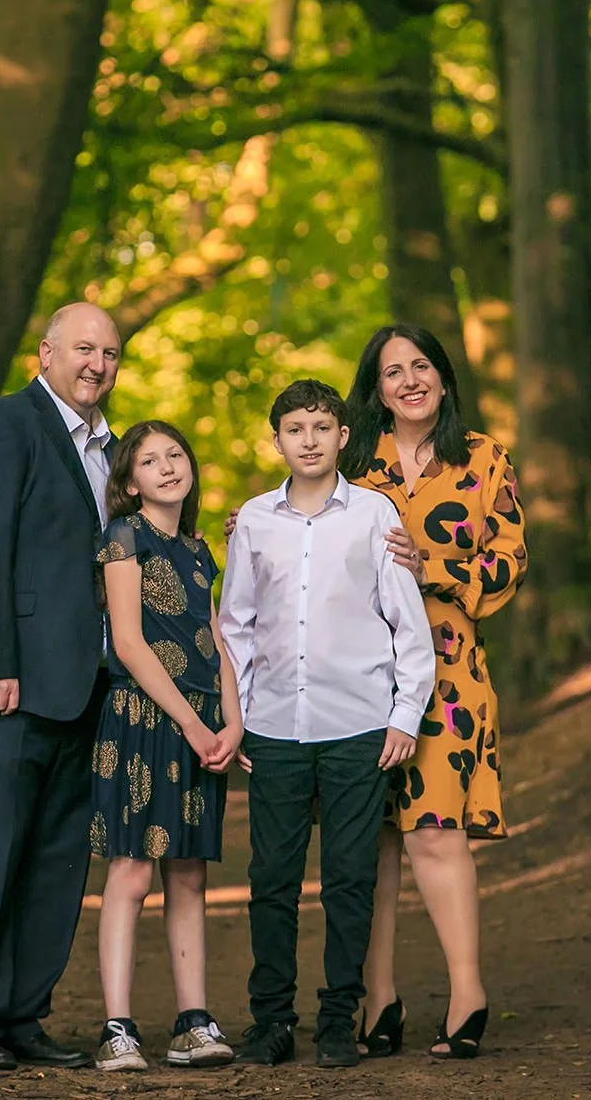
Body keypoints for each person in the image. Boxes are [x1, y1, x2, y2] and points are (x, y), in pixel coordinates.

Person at [0, 302, 122, 1071]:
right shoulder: (2, 424)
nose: (96, 363)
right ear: (46, 352)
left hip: (83, 682)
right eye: (83, 348)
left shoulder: (107, 449)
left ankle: (21, 1012)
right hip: (2, 681)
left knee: (56, 855)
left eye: (109, 352)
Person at [219, 379, 435, 1070]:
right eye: (294, 428)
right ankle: (272, 1019)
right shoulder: (254, 520)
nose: (308, 439)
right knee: (272, 879)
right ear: (276, 438)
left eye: (321, 426)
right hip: (276, 728)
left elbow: (409, 623)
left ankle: (340, 1017)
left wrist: (404, 715)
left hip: (358, 727)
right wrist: (240, 719)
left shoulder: (376, 514)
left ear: (343, 436)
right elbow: (236, 628)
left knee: (349, 878)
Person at [343, 323, 526, 1062]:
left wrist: (437, 572)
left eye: (421, 366)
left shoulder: (483, 458)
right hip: (355, 672)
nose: (409, 379)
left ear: (444, 379)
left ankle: (467, 991)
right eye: (393, 371)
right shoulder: (353, 461)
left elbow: (511, 556)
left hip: (449, 673)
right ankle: (378, 999)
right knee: (371, 838)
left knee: (433, 831)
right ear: (377, 389)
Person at [87, 420, 242, 1072]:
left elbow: (216, 637)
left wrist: (232, 721)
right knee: (131, 869)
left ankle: (193, 1020)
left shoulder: (201, 549)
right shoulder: (124, 538)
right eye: (150, 460)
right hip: (144, 718)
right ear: (129, 482)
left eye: (176, 454)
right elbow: (127, 641)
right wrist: (191, 722)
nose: (168, 465)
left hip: (202, 725)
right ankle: (118, 1028)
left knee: (188, 871)